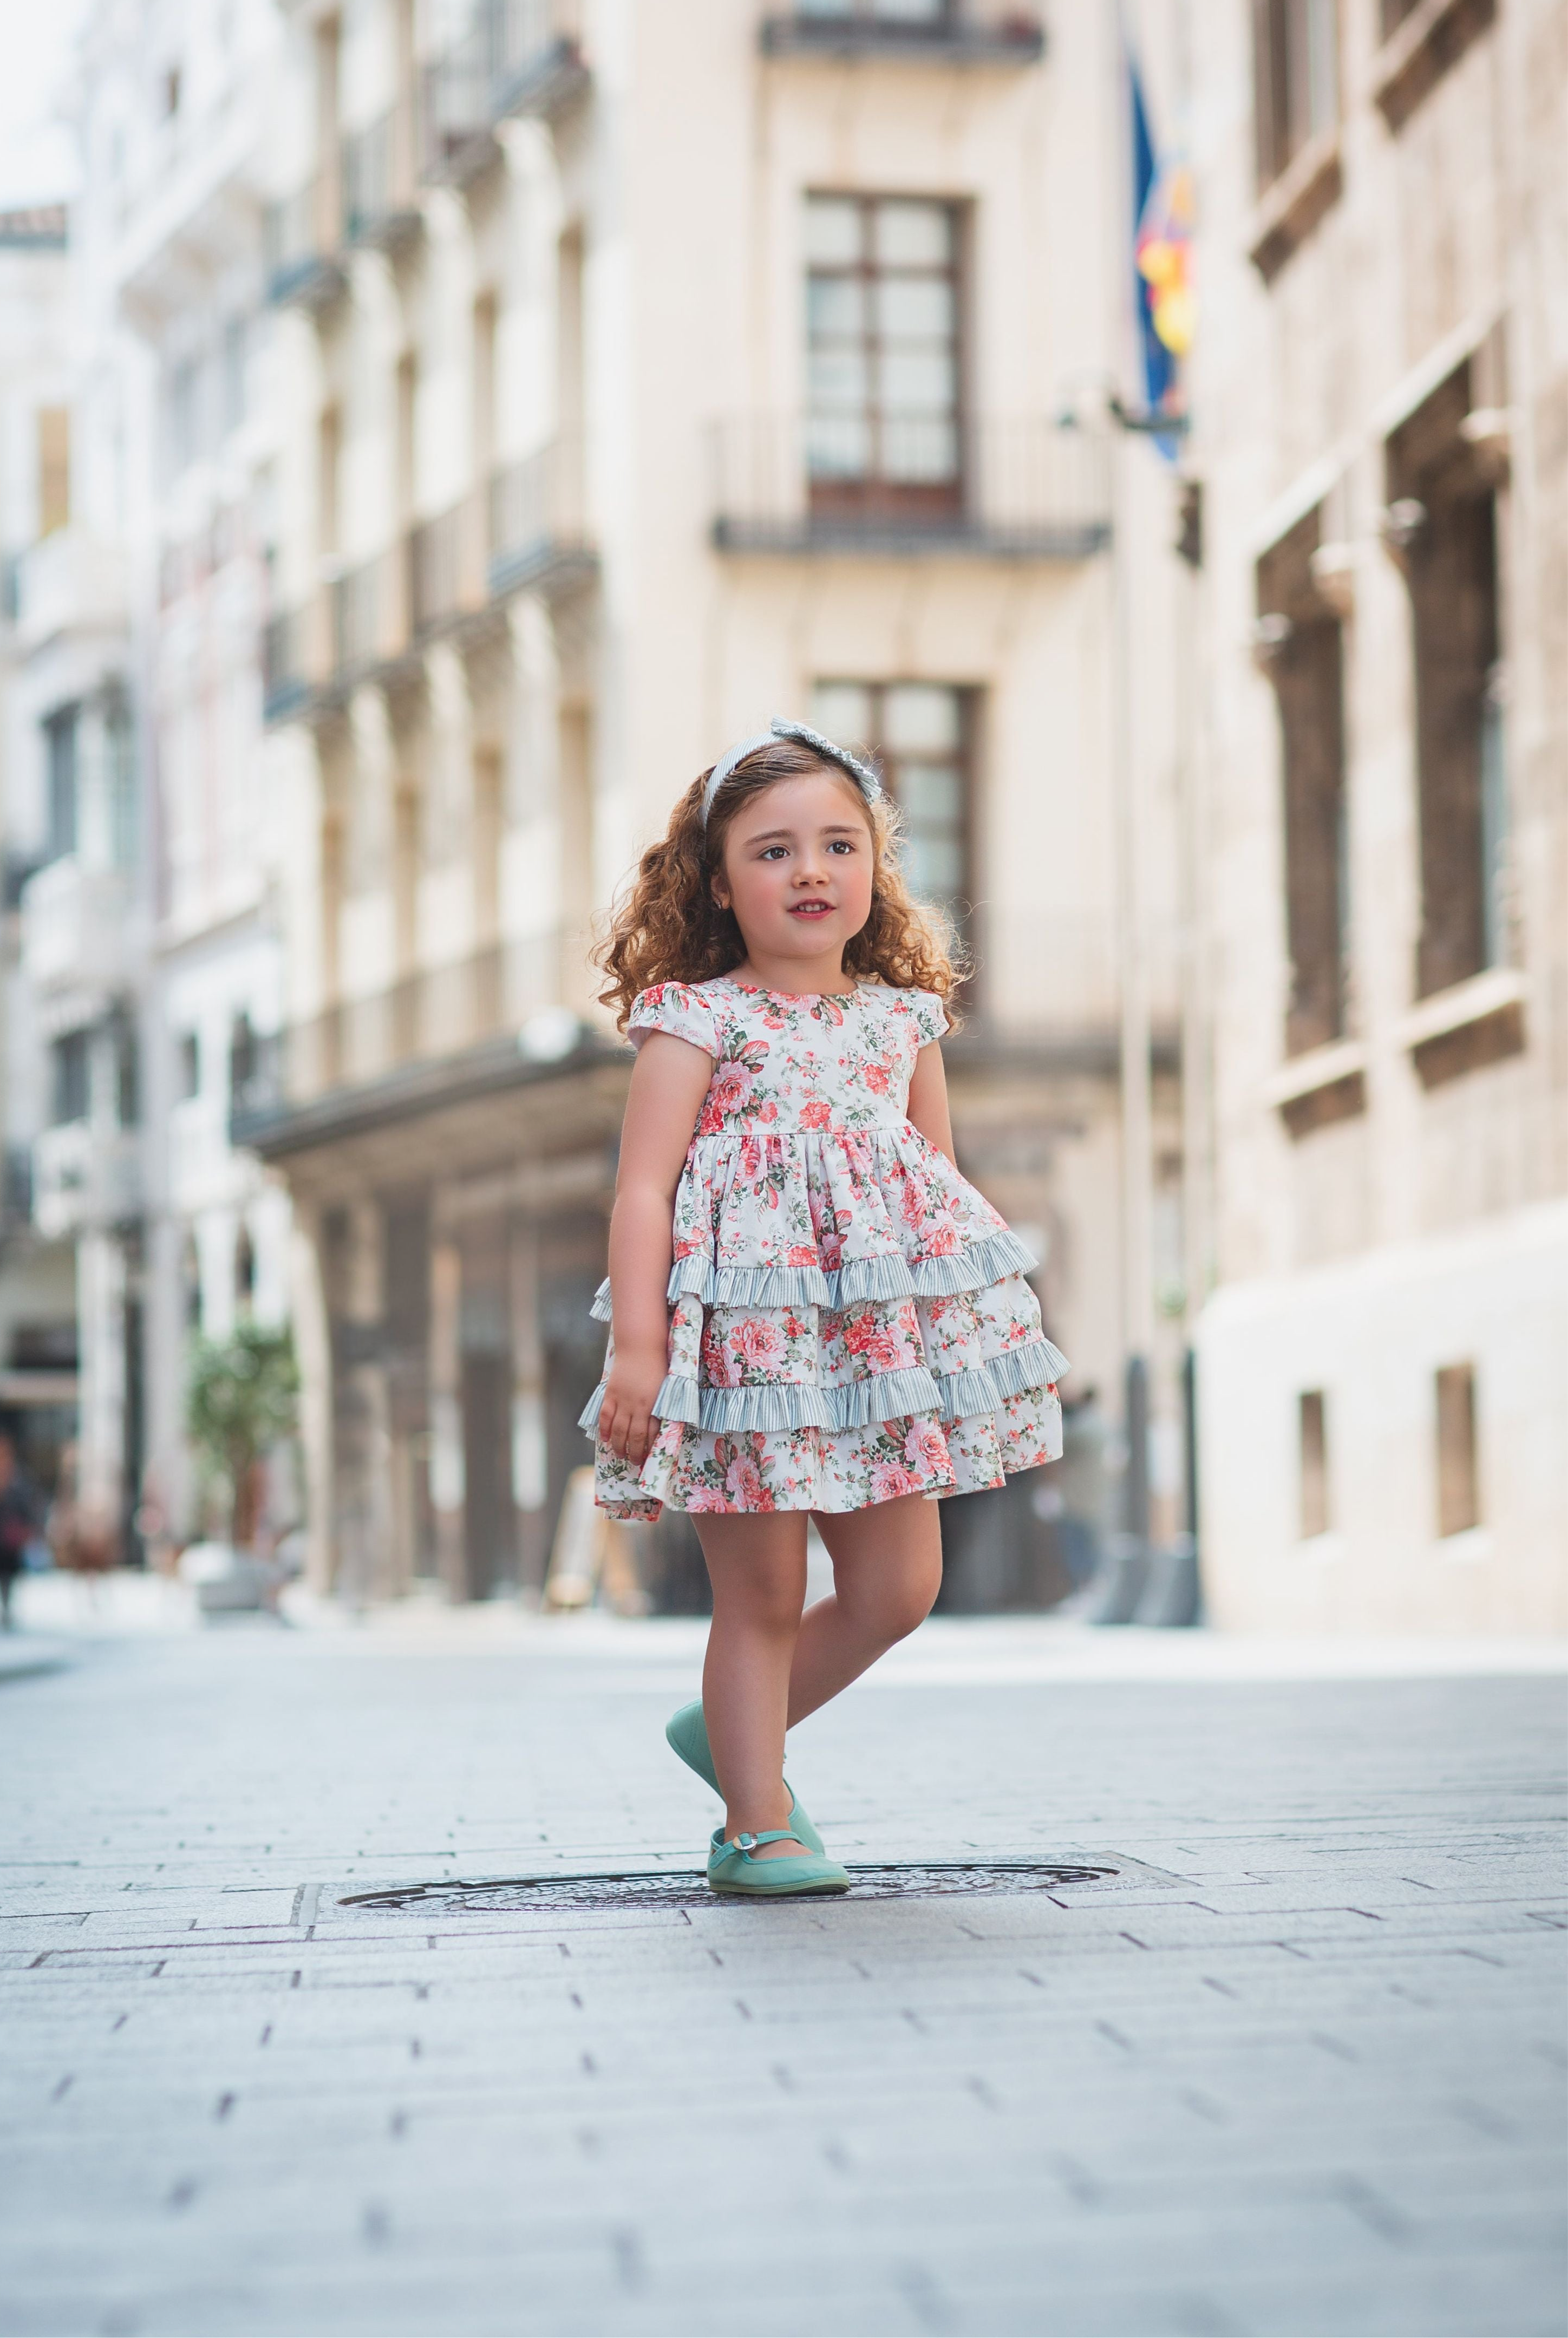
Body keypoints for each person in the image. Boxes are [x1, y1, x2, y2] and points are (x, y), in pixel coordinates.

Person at [584, 719, 1069, 1897]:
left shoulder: (900, 1020)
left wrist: (959, 1351)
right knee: (757, 1593)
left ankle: (726, 1732)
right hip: (741, 1348)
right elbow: (643, 1188)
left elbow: (935, 1189)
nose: (810, 870)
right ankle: (755, 1821)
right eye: (773, 850)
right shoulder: (695, 1018)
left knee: (900, 1588)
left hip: (868, 1353)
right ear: (716, 882)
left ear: (873, 868)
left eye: (838, 844)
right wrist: (638, 1353)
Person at [0, 1433, 42, 1631]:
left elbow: (27, 1509)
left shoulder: (17, 1483)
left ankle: (8, 1608)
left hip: (8, 1542)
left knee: (8, 1577)